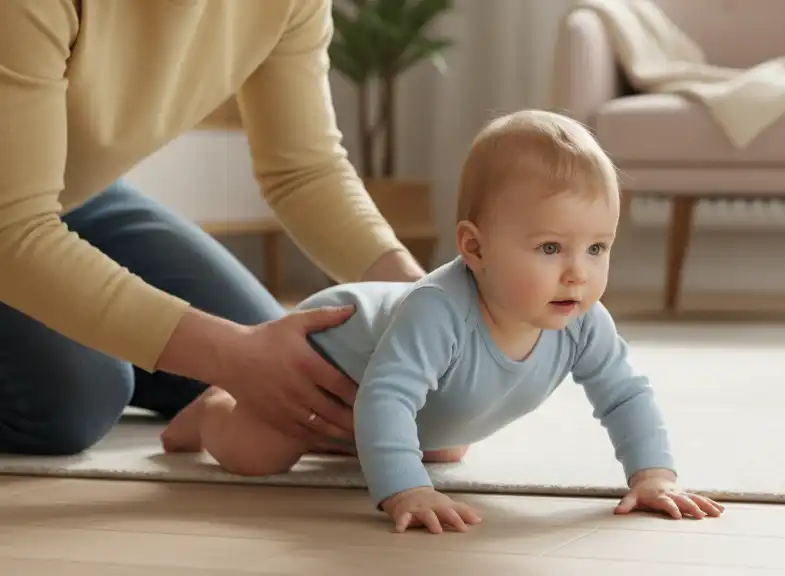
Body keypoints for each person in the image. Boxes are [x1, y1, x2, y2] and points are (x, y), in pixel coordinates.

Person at [159, 109, 726, 534]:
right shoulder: (438, 311)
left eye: (597, 248)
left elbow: (626, 394)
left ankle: (350, 441)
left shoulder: (584, 322)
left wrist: (653, 475)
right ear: (475, 248)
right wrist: (406, 490)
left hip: (396, 401)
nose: (578, 273)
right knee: (259, 454)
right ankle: (212, 411)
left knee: (444, 446)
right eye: (551, 248)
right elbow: (386, 398)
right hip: (321, 353)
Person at [0, 0, 425, 456]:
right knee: (78, 396)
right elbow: (14, 229)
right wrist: (231, 355)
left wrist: (422, 295)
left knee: (294, 363)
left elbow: (304, 172)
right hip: (13, 216)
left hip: (75, 193)